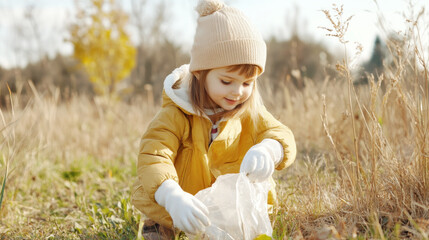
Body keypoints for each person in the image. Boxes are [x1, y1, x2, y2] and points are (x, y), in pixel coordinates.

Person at [131, 0, 296, 238]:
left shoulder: (249, 113)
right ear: (200, 73)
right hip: (181, 202)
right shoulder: (175, 114)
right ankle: (162, 225)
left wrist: (271, 149)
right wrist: (172, 196)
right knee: (162, 206)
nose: (237, 92)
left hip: (228, 208)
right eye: (227, 81)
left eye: (247, 83)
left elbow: (281, 134)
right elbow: (154, 156)